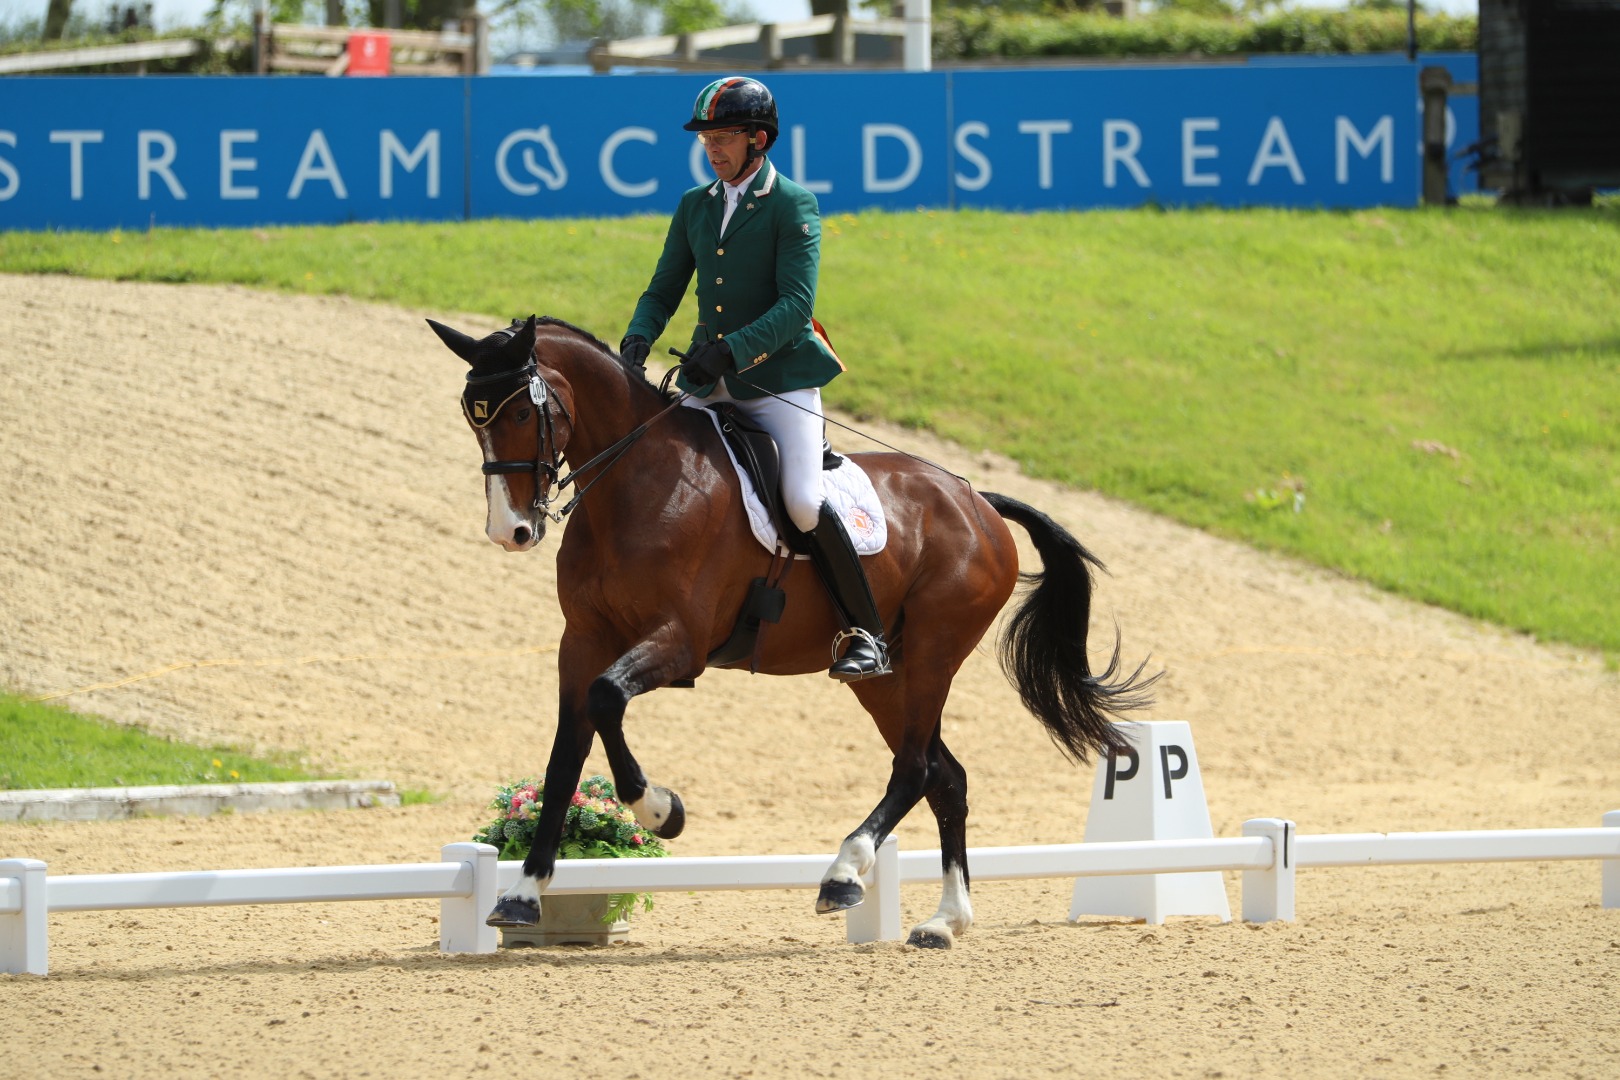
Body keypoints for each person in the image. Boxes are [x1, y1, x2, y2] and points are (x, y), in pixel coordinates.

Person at [619, 76, 890, 683]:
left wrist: (731, 352)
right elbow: (664, 288)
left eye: (723, 137)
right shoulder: (695, 204)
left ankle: (865, 632)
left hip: (778, 382)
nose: (711, 148)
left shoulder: (792, 204)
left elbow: (796, 305)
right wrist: (638, 336)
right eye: (706, 139)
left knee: (801, 501)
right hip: (706, 376)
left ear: (758, 139)